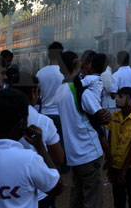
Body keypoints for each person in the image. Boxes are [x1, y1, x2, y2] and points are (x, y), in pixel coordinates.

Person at [56, 51, 110, 208]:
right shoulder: (82, 92)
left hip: (73, 155)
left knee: (76, 199)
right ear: (77, 64)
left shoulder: (60, 91)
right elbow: (102, 117)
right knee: (93, 201)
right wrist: (105, 115)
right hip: (89, 153)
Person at [10, 71, 65, 208]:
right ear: (33, 93)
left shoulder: (0, 117)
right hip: (39, 191)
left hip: (7, 190)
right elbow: (58, 158)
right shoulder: (43, 122)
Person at [105, 87, 131, 208]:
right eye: (117, 96)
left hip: (130, 167)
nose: (116, 99)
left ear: (130, 101)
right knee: (118, 199)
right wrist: (109, 162)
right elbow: (109, 139)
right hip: (115, 165)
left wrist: (124, 171)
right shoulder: (114, 116)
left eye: (120, 96)